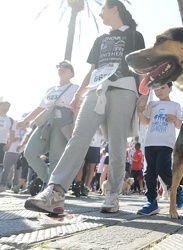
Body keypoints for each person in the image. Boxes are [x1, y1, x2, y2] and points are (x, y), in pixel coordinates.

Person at [24, 0, 145, 214]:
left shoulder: (135, 35)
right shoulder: (100, 39)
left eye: (103, 9)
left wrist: (144, 95)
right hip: (96, 91)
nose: (100, 15)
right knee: (79, 137)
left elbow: (142, 68)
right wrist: (79, 94)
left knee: (117, 144)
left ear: (114, 9)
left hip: (125, 90)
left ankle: (113, 195)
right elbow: (92, 70)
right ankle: (55, 191)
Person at [16, 61, 79, 193]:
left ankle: (51, 190)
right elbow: (40, 108)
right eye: (59, 66)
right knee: (29, 152)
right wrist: (25, 120)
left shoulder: (75, 88)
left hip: (63, 123)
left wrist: (74, 124)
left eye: (65, 67)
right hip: (46, 123)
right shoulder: (51, 89)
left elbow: (76, 108)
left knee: (56, 157)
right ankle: (49, 182)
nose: (61, 68)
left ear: (72, 73)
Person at [136, 82, 183, 215]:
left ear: (170, 88)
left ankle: (176, 188)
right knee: (148, 172)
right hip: (150, 143)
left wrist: (174, 119)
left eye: (162, 87)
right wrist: (140, 113)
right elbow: (146, 122)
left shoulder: (175, 105)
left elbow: (179, 126)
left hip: (166, 144)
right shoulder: (152, 104)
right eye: (156, 89)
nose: (159, 91)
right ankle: (151, 202)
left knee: (162, 169)